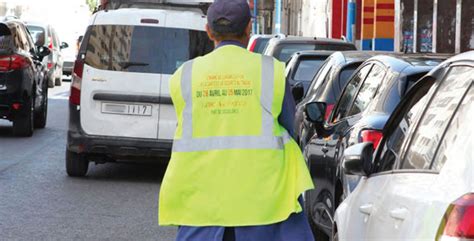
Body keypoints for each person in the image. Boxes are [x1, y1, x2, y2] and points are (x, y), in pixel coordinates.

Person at [159, 0, 315, 240]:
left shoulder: (185, 75)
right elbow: (290, 128)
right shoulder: (271, 71)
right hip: (265, 207)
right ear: (249, 28)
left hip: (202, 205)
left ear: (209, 31)